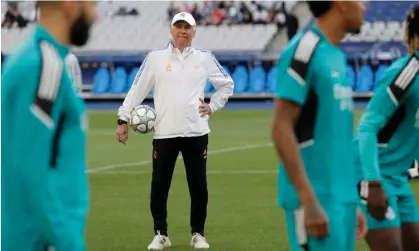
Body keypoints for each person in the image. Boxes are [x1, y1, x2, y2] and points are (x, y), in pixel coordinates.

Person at [115, 12, 234, 250]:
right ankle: (161, 234)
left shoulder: (205, 57)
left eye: (187, 27)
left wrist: (212, 106)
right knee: (159, 185)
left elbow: (227, 85)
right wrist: (123, 118)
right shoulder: (155, 58)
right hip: (164, 133)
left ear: (194, 31)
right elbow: (137, 89)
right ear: (171, 30)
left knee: (198, 186)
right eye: (178, 26)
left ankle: (198, 234)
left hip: (196, 132)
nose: (183, 31)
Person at [271, 1, 367, 251]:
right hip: (316, 200)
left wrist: (351, 201)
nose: (365, 7)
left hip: (341, 200)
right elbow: (281, 127)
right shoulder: (305, 50)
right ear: (341, 4)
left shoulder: (336, 55)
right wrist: (307, 198)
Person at [1, 1, 97, 251]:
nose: (95, 16)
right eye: (92, 5)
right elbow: (30, 172)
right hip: (41, 242)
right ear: (70, 5)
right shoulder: (44, 66)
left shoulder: (39, 58)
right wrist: (69, 244)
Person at [355, 5, 419, 251]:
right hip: (372, 176)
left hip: (398, 178)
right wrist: (372, 183)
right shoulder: (406, 74)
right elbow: (367, 127)